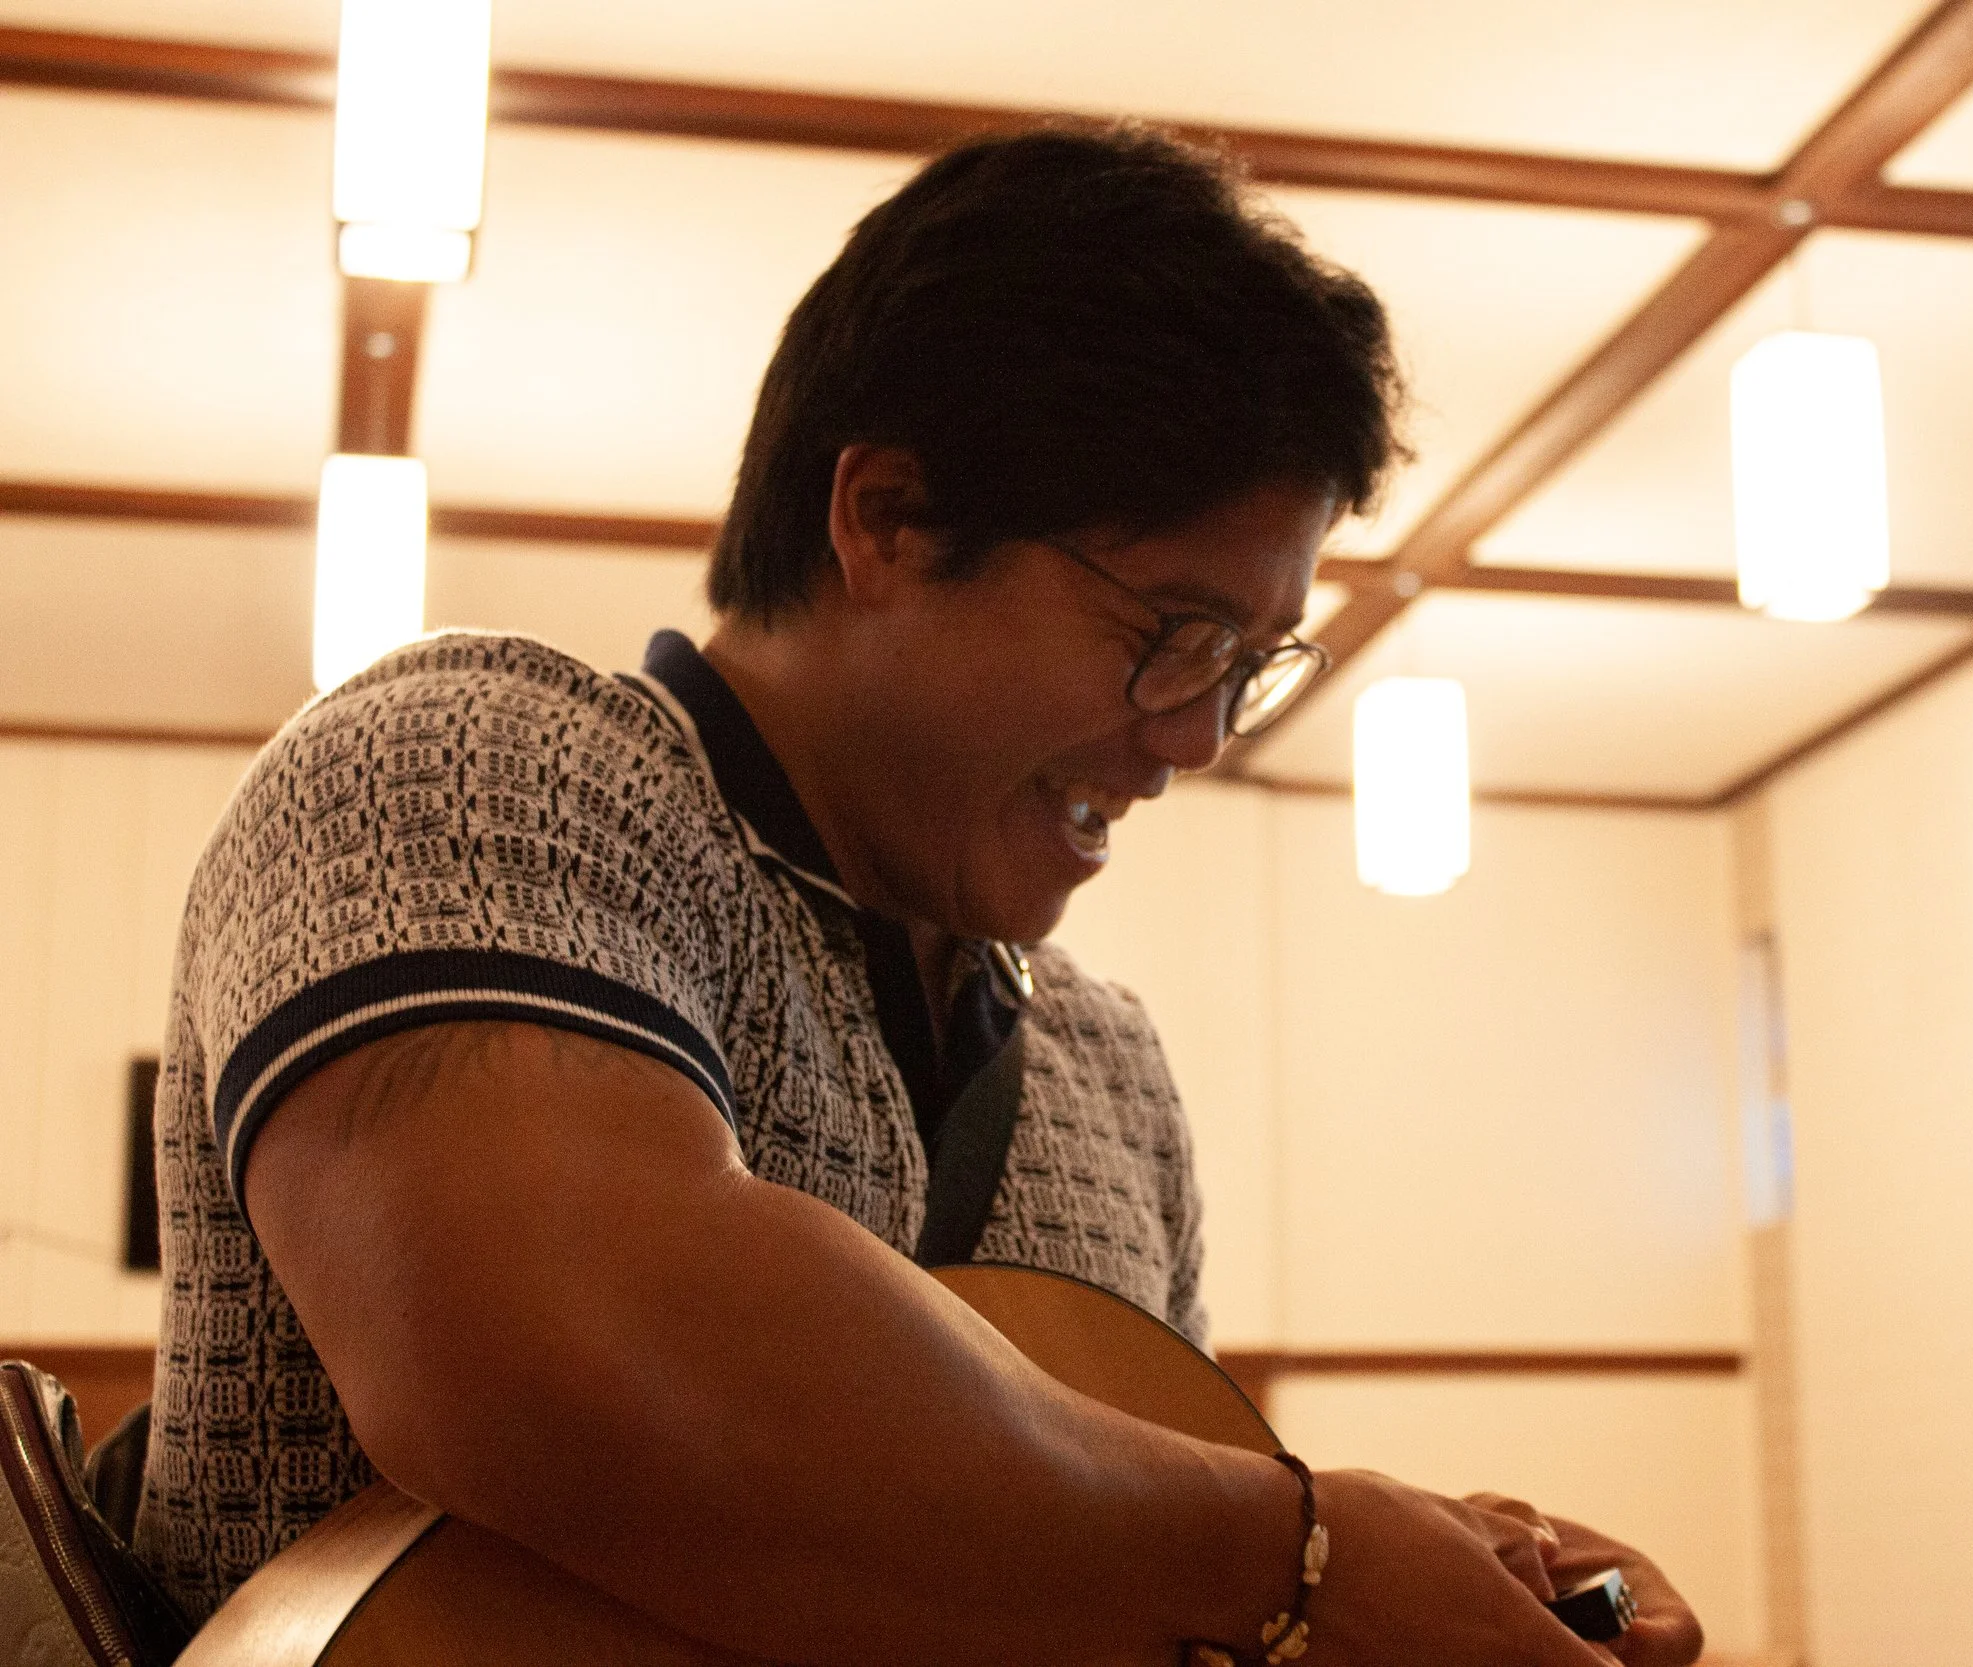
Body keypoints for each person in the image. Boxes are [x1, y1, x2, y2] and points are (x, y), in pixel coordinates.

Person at [133, 126, 1704, 1666]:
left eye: (1249, 661)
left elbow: (1145, 1568)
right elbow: (548, 1353)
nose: (1199, 739)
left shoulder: (1111, 1073)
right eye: (1173, 633)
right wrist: (1302, 1554)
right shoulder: (477, 762)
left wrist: (1435, 1584)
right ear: (886, 515)